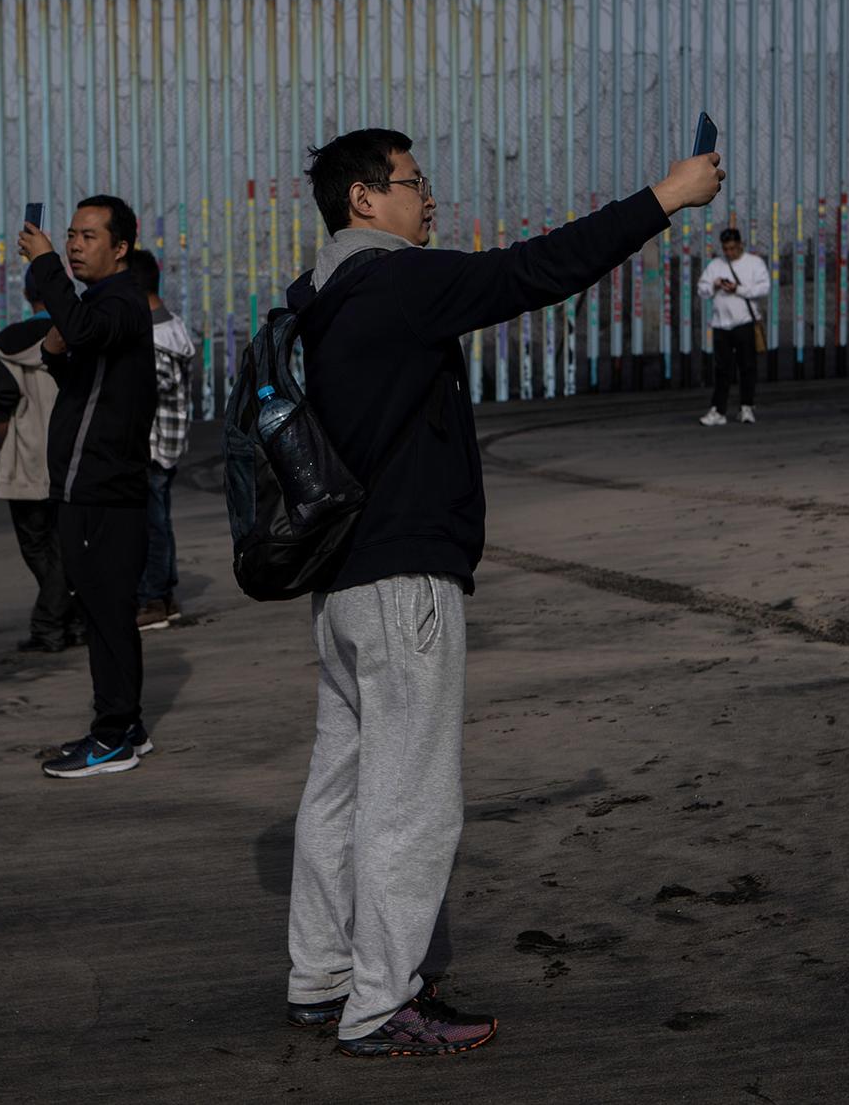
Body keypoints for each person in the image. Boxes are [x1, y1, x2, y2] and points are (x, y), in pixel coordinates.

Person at [283, 128, 725, 1057]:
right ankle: (379, 1004)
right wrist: (665, 197)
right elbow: (537, 270)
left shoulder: (319, 295)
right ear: (364, 199)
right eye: (412, 184)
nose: (428, 199)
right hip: (404, 581)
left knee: (341, 789)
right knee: (411, 799)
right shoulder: (396, 281)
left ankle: (324, 976)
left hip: (341, 586)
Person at [18, 195, 158, 779]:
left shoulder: (122, 301)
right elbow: (83, 363)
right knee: (104, 613)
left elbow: (78, 328)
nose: (75, 244)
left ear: (120, 247)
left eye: (88, 236)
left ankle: (113, 736)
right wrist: (55, 352)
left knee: (106, 615)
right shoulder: (106, 304)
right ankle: (125, 726)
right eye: (70, 235)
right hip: (92, 487)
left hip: (102, 491)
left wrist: (45, 263)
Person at [0, 261, 82, 654]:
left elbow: (0, 411)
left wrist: (8, 449)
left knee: (36, 545)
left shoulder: (6, 344)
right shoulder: (77, 335)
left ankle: (49, 625)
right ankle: (70, 621)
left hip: (26, 459)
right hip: (73, 455)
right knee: (69, 545)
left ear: (26, 295)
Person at [127, 248, 195, 631]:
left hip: (151, 445)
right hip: (170, 442)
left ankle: (152, 599)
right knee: (160, 521)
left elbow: (149, 388)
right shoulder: (174, 325)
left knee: (151, 525)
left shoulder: (152, 338)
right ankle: (164, 595)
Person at [695, 226, 770, 426]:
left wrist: (738, 289)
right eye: (726, 249)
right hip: (721, 324)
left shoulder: (754, 263)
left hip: (744, 323)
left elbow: (764, 288)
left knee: (747, 367)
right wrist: (715, 285)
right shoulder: (715, 265)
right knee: (722, 369)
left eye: (732, 248)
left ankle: (747, 407)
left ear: (740, 245)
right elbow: (702, 289)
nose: (729, 253)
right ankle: (718, 410)